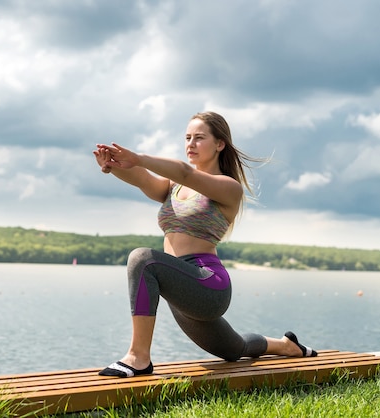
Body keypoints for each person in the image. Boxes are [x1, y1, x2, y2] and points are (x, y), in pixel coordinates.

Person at [92, 111, 317, 378]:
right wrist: (115, 165)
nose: (190, 144)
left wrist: (139, 158)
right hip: (180, 286)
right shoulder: (173, 187)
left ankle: (138, 357)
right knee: (235, 349)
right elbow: (142, 178)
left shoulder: (228, 188)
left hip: (208, 284)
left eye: (199, 138)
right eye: (187, 138)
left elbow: (186, 172)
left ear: (219, 144)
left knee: (143, 259)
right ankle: (286, 345)